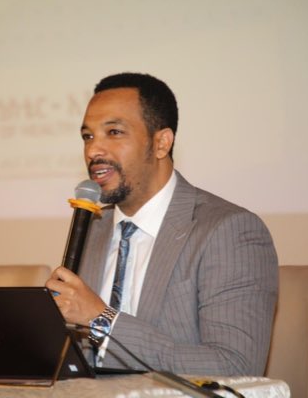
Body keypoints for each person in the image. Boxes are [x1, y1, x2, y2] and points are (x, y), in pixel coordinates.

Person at [46, 72, 278, 376]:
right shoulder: (91, 229)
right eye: (87, 137)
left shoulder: (228, 231)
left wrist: (102, 320)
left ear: (161, 143)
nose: (93, 151)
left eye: (114, 132)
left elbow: (235, 366)